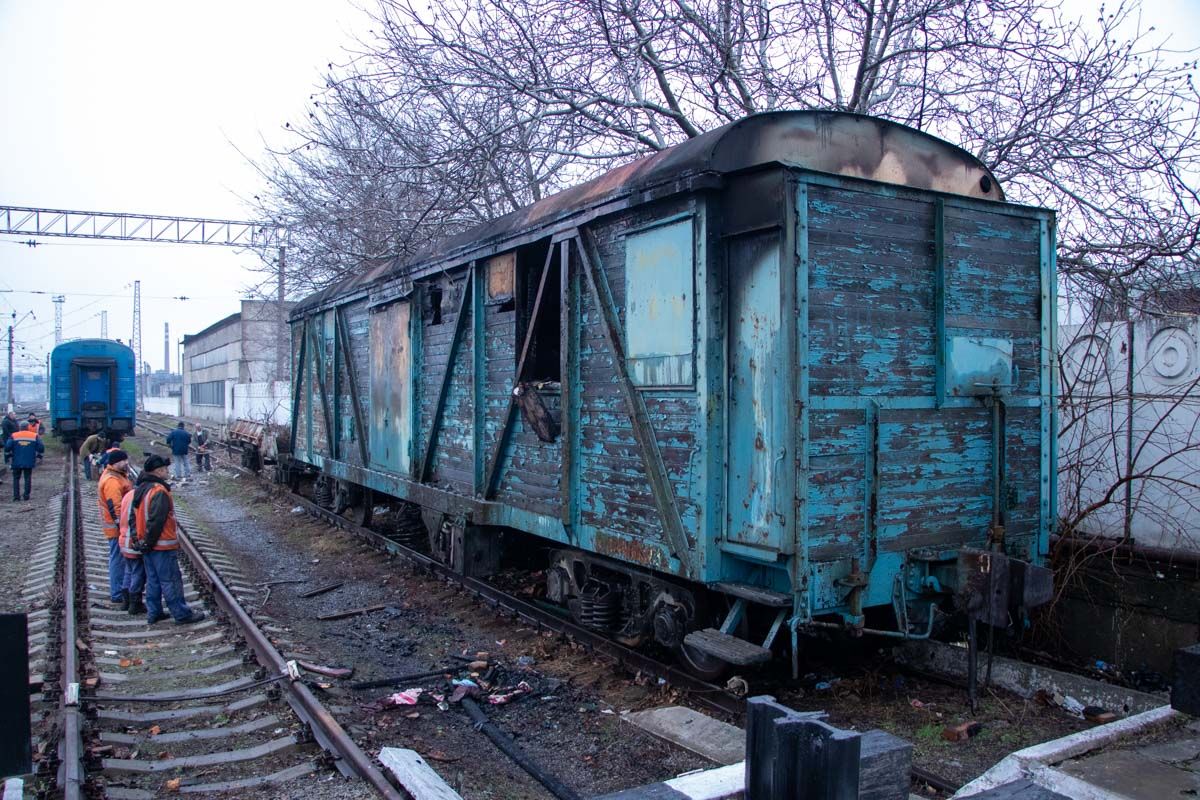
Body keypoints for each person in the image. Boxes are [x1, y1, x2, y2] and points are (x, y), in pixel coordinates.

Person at [131, 455, 205, 625]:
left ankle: (154, 612)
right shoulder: (159, 491)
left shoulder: (141, 488)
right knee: (170, 580)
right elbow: (157, 521)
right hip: (160, 546)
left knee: (153, 581)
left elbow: (133, 517)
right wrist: (149, 542)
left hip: (147, 545)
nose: (168, 471)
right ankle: (181, 613)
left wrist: (141, 541)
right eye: (165, 469)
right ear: (158, 471)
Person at [97, 450, 134, 608]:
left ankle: (121, 590)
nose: (126, 463)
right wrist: (123, 527)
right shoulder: (112, 481)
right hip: (117, 528)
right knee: (118, 560)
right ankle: (118, 593)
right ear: (116, 462)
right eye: (124, 460)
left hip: (117, 527)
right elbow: (116, 508)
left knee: (120, 559)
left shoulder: (117, 475)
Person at [117, 489, 145, 615]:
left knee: (128, 571)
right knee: (138, 573)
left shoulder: (128, 494)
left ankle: (126, 601)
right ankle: (135, 603)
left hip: (123, 538)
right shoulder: (139, 496)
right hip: (132, 541)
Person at [5, 422, 44, 502]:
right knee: (27, 477)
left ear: (20, 427)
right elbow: (41, 447)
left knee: (16, 478)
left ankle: (16, 497)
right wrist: (38, 455)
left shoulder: (14, 435)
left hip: (16, 461)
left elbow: (8, 447)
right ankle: (26, 495)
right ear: (28, 427)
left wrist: (8, 457)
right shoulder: (34, 435)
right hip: (29, 461)